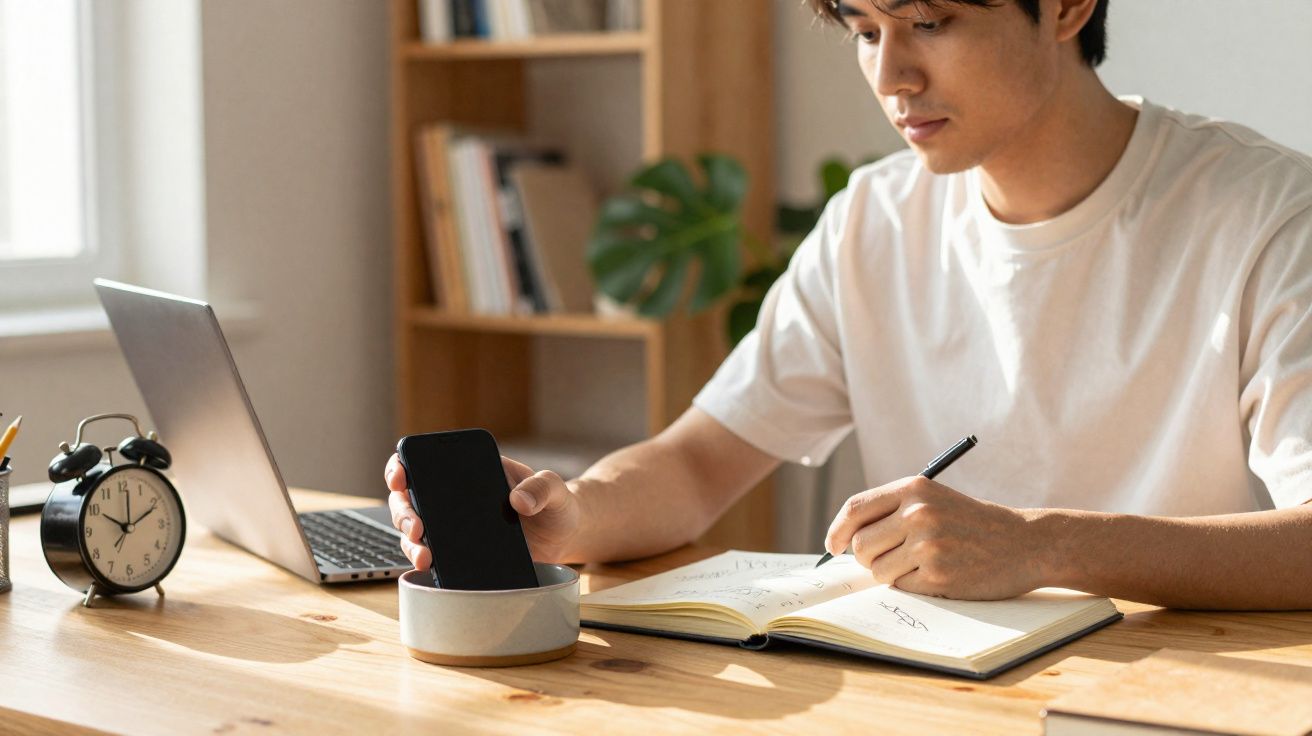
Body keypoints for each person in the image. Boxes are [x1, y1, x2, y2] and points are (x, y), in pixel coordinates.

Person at [385, 0, 1312, 609]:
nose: (891, 76)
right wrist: (573, 511)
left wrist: (1040, 547)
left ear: (1067, 7)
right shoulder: (873, 216)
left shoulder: (1269, 216)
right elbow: (702, 462)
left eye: (930, 21)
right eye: (866, 30)